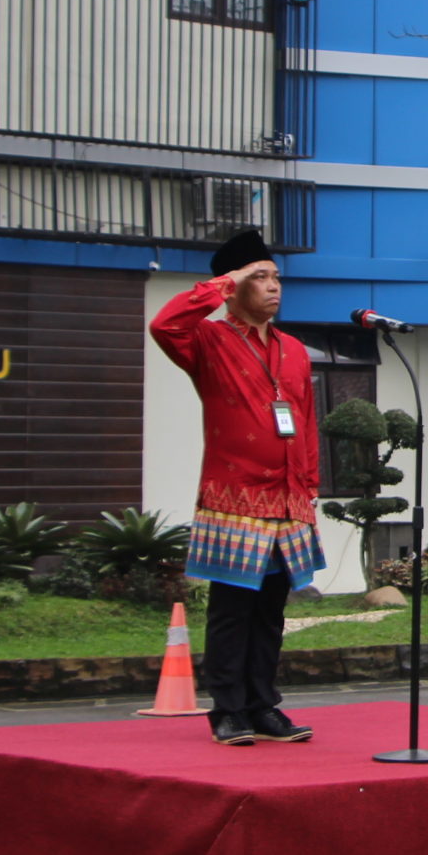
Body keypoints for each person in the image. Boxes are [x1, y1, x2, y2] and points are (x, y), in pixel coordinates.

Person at [150, 228, 326, 747]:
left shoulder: (294, 350)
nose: (274, 286)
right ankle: (227, 710)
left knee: (272, 610)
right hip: (236, 499)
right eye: (261, 278)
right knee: (233, 610)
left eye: (276, 278)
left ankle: (263, 705)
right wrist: (223, 284)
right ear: (234, 285)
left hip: (289, 499)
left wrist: (310, 485)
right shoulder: (207, 341)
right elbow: (164, 324)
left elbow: (306, 420)